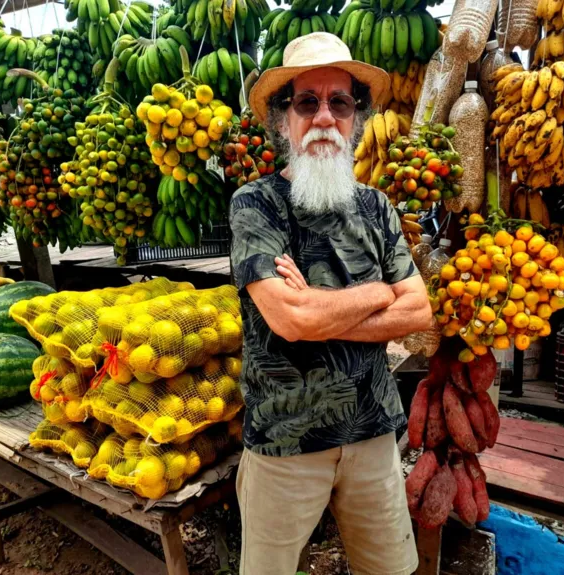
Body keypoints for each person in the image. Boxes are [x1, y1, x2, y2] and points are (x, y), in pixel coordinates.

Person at [229, 32, 434, 575]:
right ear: (283, 120)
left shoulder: (377, 207)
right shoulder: (255, 205)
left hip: (373, 434)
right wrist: (377, 291)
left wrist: (321, 306)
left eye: (339, 102)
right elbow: (290, 320)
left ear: (356, 118)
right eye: (307, 102)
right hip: (284, 441)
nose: (324, 116)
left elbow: (419, 313)